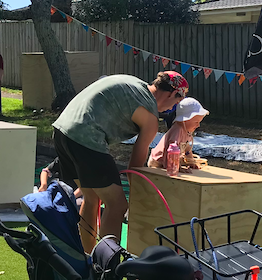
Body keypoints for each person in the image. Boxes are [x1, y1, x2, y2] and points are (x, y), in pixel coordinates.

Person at [52, 71, 188, 252]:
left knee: (91, 198)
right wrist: (140, 195)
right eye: (176, 102)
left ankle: (85, 259)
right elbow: (135, 168)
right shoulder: (150, 115)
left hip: (62, 132)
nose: (172, 108)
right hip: (86, 137)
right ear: (172, 94)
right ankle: (107, 269)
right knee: (117, 205)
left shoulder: (134, 83)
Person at [147, 96, 210, 170]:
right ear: (185, 119)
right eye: (196, 122)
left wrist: (191, 162)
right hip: (157, 162)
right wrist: (175, 167)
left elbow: (187, 149)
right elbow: (170, 149)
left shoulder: (187, 131)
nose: (198, 125)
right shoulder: (178, 130)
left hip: (170, 159)